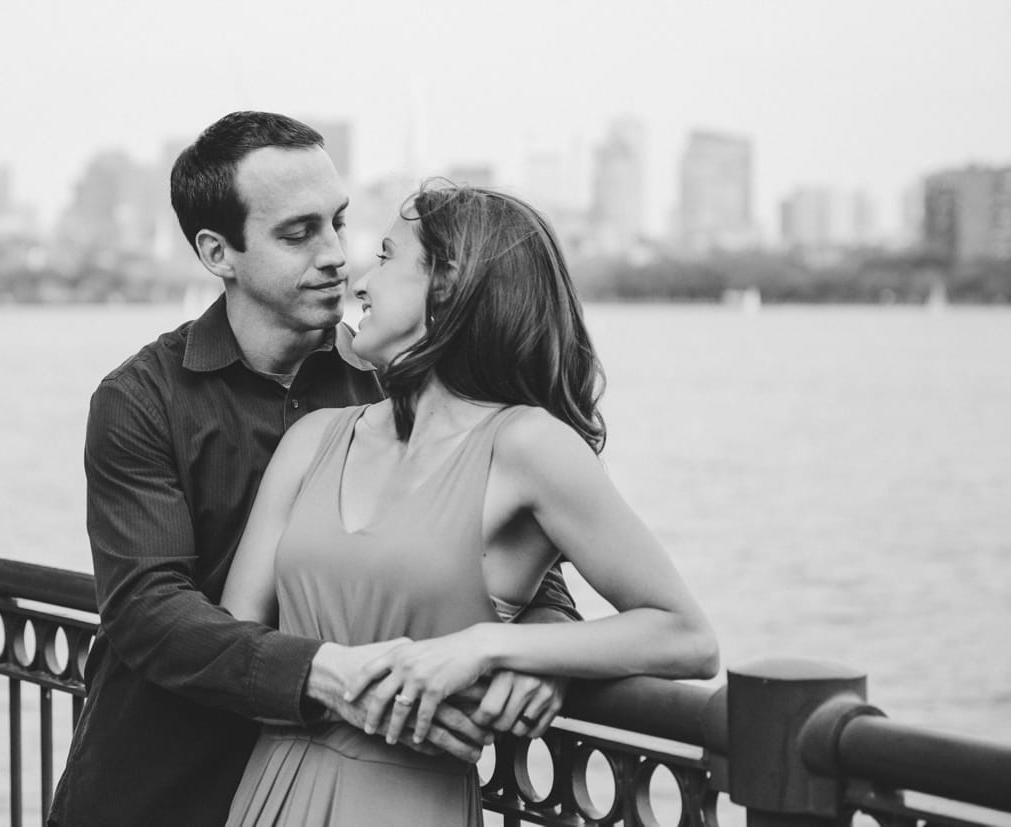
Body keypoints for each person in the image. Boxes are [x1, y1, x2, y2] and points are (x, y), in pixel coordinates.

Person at [47, 113, 581, 826]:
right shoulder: (139, 400)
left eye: (338, 222)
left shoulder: (394, 376)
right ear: (217, 251)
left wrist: (539, 648)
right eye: (298, 233)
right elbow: (148, 608)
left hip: (349, 790)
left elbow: (521, 552)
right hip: (160, 786)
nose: (336, 254)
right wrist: (327, 672)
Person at [220, 182, 720, 825]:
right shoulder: (312, 439)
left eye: (387, 257)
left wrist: (498, 648)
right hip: (269, 794)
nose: (359, 283)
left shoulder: (528, 446)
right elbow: (236, 652)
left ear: (448, 284)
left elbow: (685, 634)